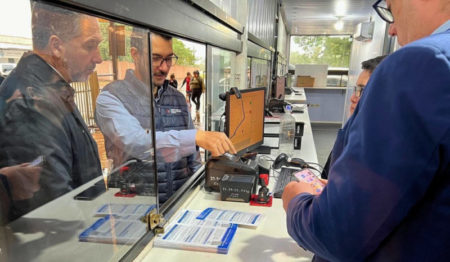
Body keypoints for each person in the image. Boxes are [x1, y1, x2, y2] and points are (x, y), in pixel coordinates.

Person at [283, 0, 450, 261]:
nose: (392, 30)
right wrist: (346, 191)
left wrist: (295, 200)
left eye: (392, 9)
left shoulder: (424, 61)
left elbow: (336, 233)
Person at [96, 31, 235, 202]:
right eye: (155, 58)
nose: (164, 67)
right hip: (135, 209)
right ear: (135, 54)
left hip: (178, 204)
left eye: (169, 59)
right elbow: (136, 142)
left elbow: (193, 159)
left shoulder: (177, 98)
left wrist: (202, 189)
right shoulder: (111, 97)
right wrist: (196, 136)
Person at [0, 2, 103, 218]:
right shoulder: (32, 103)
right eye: (90, 45)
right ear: (57, 46)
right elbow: (54, 213)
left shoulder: (51, 90)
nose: (98, 58)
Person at [321, 55, 387, 179]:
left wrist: (299, 197)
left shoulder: (377, 151)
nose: (353, 98)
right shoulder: (353, 133)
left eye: (362, 91)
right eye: (356, 89)